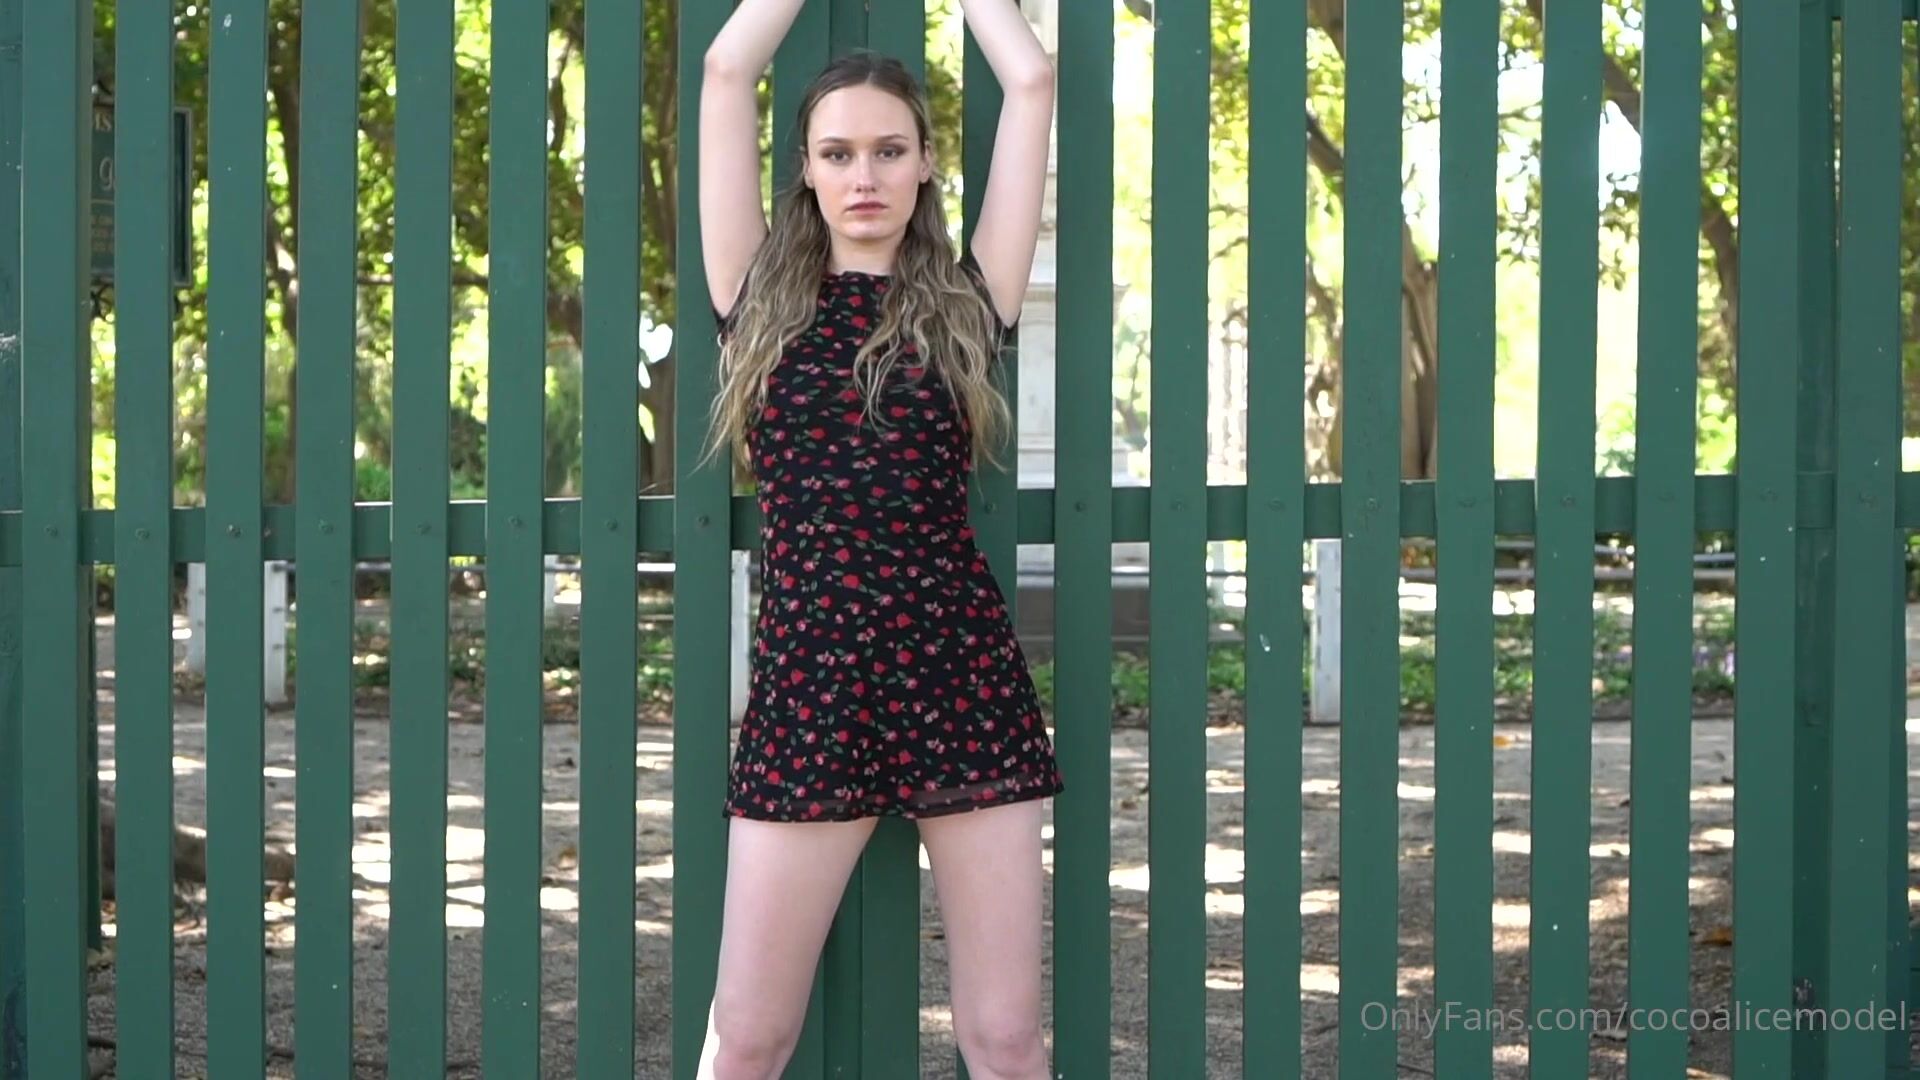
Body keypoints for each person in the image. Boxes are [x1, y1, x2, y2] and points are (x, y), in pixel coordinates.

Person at [693, 3, 1061, 1078]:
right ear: (805, 170)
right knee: (748, 1034)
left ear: (926, 165)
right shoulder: (757, 299)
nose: (865, 176)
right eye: (839, 153)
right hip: (810, 684)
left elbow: (1032, 82)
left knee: (1005, 1037)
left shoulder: (967, 300)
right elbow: (725, 71)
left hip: (960, 676)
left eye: (890, 151)